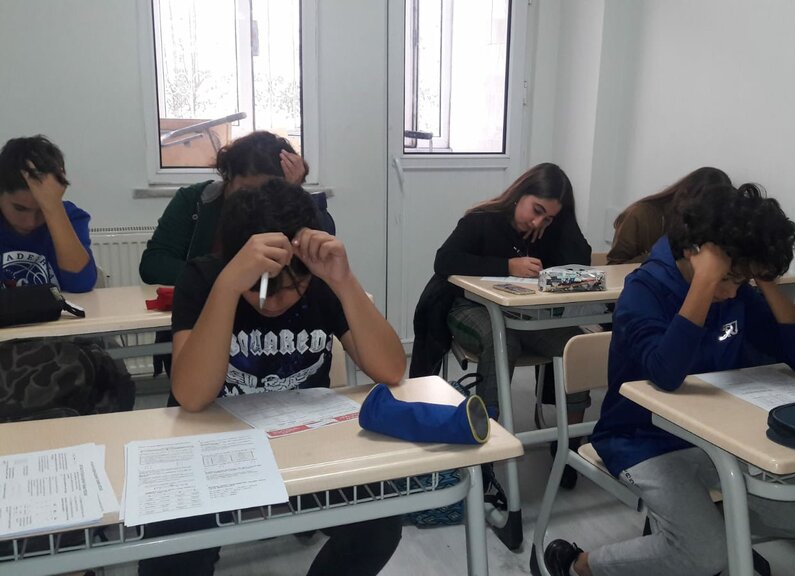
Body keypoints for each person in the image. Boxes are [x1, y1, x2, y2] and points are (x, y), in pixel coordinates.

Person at [545, 183, 795, 576]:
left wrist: (764, 280)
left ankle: (711, 542)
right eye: (727, 279)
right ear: (696, 253)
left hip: (716, 437)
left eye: (740, 281)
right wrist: (705, 285)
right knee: (706, 557)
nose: (732, 293)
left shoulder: (736, 292)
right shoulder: (645, 289)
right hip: (641, 439)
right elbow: (666, 374)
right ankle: (579, 565)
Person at [137, 179, 405, 576]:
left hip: (302, 448)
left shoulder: (322, 282)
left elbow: (391, 369)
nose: (272, 302)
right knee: (172, 550)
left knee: (378, 523)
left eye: (292, 288)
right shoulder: (205, 278)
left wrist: (344, 281)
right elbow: (192, 396)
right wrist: (228, 286)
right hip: (210, 451)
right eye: (257, 288)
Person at [409, 163, 591, 487]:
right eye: (536, 210)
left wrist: (562, 225)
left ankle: (570, 443)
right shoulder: (481, 220)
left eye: (549, 217)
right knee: (503, 340)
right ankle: (486, 449)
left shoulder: (547, 231)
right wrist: (507, 266)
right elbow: (445, 260)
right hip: (469, 307)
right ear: (520, 194)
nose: (537, 222)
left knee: (575, 346)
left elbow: (582, 261)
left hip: (524, 316)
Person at [139, 130, 330, 287]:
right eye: (247, 190)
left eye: (268, 190)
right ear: (228, 176)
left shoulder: (280, 203)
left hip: (268, 311)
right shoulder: (194, 201)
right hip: (203, 307)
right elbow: (153, 264)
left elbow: (321, 250)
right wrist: (231, 276)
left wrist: (291, 194)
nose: (256, 200)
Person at [0, 135, 96, 292]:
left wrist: (53, 207)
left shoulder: (71, 216)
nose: (30, 222)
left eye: (41, 210)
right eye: (20, 208)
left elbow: (81, 284)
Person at [606, 167, 731, 265]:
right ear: (685, 194)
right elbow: (613, 267)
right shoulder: (641, 214)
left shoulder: (707, 226)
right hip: (632, 283)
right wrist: (659, 255)